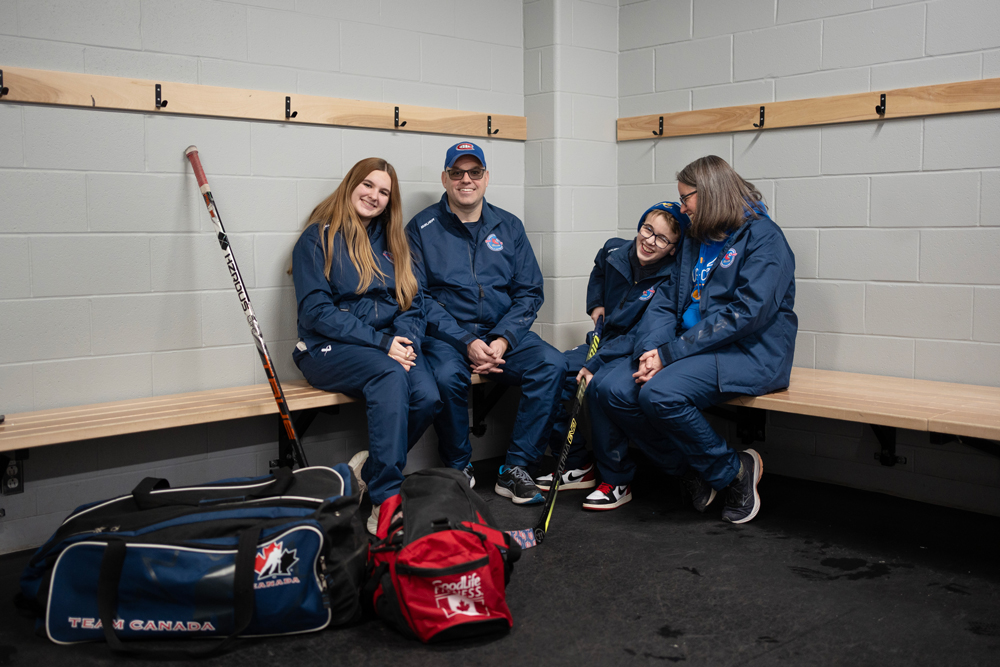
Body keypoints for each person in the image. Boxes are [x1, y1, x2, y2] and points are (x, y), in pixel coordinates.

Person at [584, 155, 797, 523]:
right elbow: (666, 302)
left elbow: (745, 316)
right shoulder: (697, 237)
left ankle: (734, 472)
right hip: (688, 347)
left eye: (686, 199)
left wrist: (669, 354)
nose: (682, 208)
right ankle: (695, 468)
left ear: (711, 193)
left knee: (660, 393)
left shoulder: (764, 239)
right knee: (610, 388)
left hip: (749, 352)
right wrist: (652, 348)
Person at [406, 141, 568, 505]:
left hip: (501, 334)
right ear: (444, 179)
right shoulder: (421, 227)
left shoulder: (509, 225)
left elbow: (530, 291)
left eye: (474, 172)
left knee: (552, 364)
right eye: (457, 173)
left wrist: (503, 339)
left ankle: (515, 469)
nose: (466, 180)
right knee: (447, 377)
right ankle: (459, 466)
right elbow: (418, 297)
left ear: (486, 178)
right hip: (447, 338)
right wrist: (465, 340)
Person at [291, 157, 441, 533]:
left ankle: (372, 472)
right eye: (368, 185)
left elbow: (414, 303)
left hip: (388, 345)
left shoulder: (394, 243)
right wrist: (383, 343)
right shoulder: (318, 237)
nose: (374, 196)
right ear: (351, 184)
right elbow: (315, 312)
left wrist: (404, 340)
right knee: (390, 375)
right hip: (327, 348)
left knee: (427, 396)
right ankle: (386, 500)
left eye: (384, 191)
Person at [535, 202, 689, 493]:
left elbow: (644, 333)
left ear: (672, 248)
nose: (649, 240)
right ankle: (577, 465)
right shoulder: (614, 251)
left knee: (599, 387)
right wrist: (596, 304)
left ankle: (616, 479)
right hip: (604, 340)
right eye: (647, 229)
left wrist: (595, 363)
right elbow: (599, 270)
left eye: (662, 238)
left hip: (634, 349)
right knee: (548, 373)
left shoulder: (672, 277)